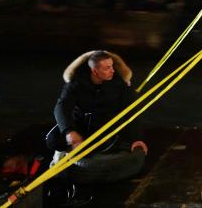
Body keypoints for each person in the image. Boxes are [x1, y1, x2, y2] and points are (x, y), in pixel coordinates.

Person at [48, 51, 147, 185]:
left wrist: (137, 138)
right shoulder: (76, 84)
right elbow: (61, 107)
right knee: (53, 139)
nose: (112, 71)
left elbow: (132, 110)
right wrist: (69, 132)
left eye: (112, 66)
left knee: (114, 144)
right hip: (82, 125)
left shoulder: (119, 84)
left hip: (106, 127)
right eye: (107, 68)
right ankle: (62, 158)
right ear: (95, 71)